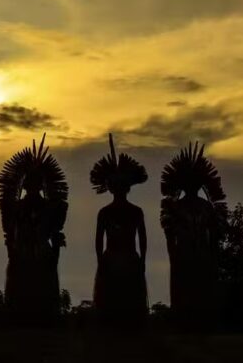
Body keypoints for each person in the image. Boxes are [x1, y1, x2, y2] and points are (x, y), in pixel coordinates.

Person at [0, 135, 68, 323]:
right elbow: (11, 232)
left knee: (41, 293)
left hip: (41, 254)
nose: (32, 187)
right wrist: (12, 251)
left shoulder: (49, 208)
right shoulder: (18, 207)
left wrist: (54, 254)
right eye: (30, 183)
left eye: (36, 183)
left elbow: (54, 232)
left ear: (41, 185)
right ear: (24, 185)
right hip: (22, 253)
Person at [160, 142, 225, 331]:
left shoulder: (206, 207)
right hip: (184, 255)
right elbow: (169, 233)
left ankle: (202, 325)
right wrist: (173, 254)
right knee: (185, 293)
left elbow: (214, 233)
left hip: (201, 255)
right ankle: (185, 324)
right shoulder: (175, 207)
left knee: (201, 292)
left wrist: (213, 254)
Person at [91, 134, 148, 326]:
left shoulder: (124, 212)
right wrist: (101, 262)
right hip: (121, 259)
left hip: (124, 259)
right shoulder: (109, 213)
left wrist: (142, 260)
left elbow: (143, 238)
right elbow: (99, 241)